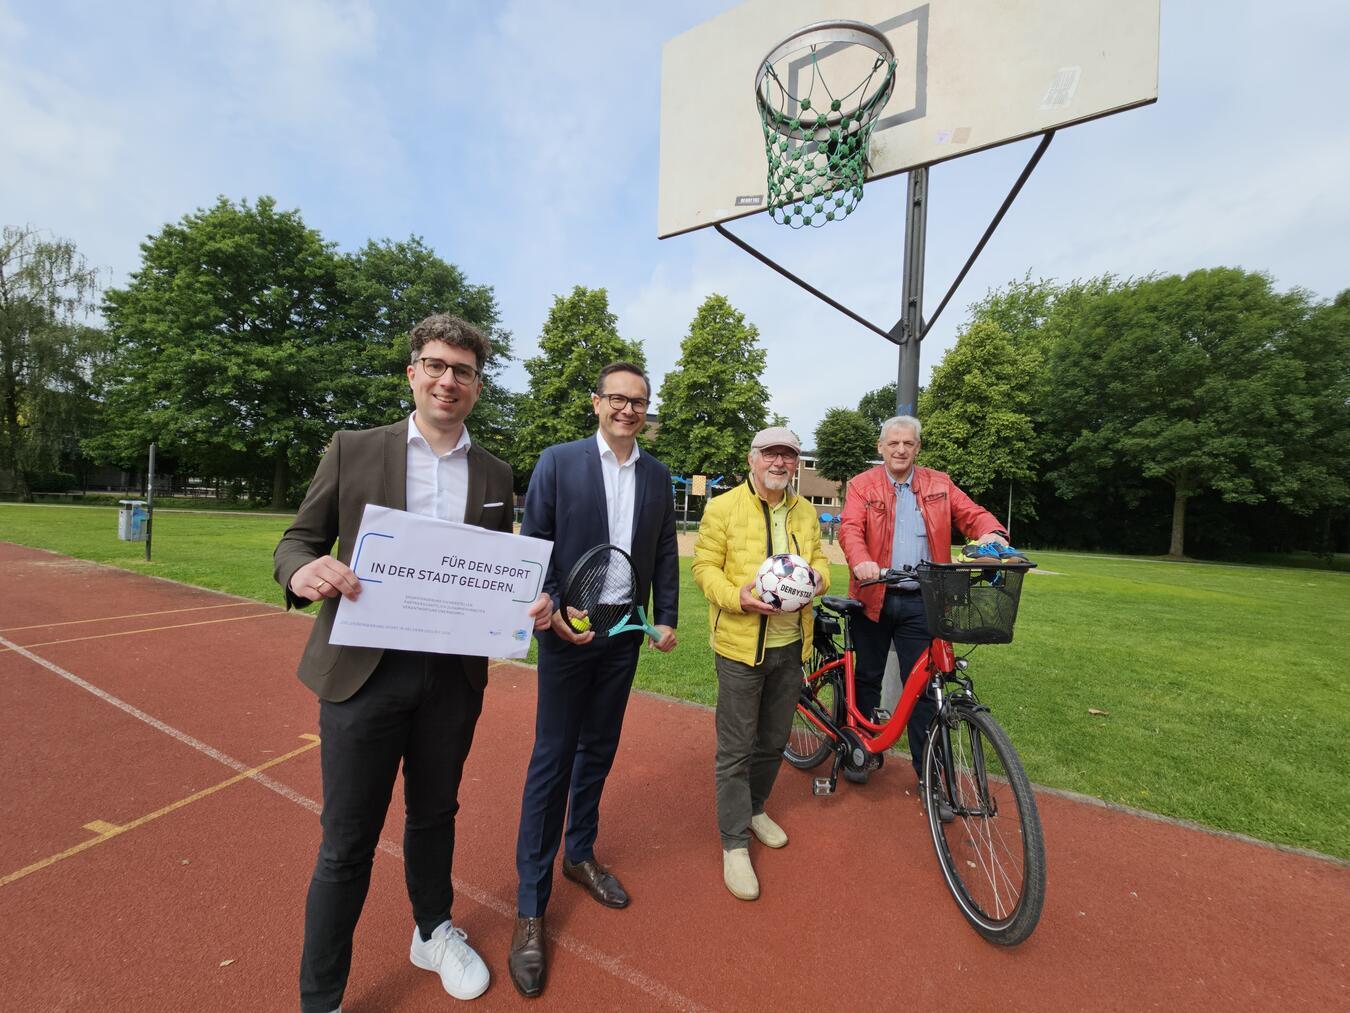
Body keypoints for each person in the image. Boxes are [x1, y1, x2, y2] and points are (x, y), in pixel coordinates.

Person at [273, 313, 551, 1013]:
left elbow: (494, 571)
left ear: (477, 385)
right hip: (363, 673)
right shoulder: (352, 448)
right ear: (412, 373)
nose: (447, 380)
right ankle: (321, 997)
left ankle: (431, 931)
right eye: (435, 365)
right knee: (347, 841)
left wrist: (529, 601)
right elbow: (296, 541)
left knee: (435, 813)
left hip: (450, 679)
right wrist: (302, 573)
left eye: (462, 370)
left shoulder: (492, 471)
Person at [507, 362, 679, 999]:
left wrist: (663, 618)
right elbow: (537, 544)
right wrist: (553, 609)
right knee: (551, 758)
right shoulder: (558, 461)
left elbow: (662, 550)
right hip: (566, 626)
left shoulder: (658, 475)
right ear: (596, 403)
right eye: (617, 399)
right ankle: (531, 906)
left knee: (600, 748)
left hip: (624, 628)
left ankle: (578, 855)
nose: (627, 410)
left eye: (638, 401)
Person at [691, 427, 830, 901]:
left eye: (788, 456)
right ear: (753, 459)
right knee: (735, 748)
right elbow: (704, 567)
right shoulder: (723, 507)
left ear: (795, 464)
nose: (780, 462)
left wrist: (815, 582)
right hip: (739, 648)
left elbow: (820, 565)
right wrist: (738, 598)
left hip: (791, 646)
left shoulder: (805, 511)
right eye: (771, 453)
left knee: (772, 741)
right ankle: (733, 844)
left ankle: (754, 808)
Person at [837, 415, 1010, 785]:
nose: (901, 450)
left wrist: (993, 533)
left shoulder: (939, 484)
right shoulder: (861, 486)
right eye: (893, 443)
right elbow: (850, 528)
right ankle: (861, 752)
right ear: (880, 448)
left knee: (924, 689)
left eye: (908, 443)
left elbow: (972, 515)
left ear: (918, 447)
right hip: (874, 595)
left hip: (922, 600)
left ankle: (928, 772)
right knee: (867, 676)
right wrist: (861, 560)